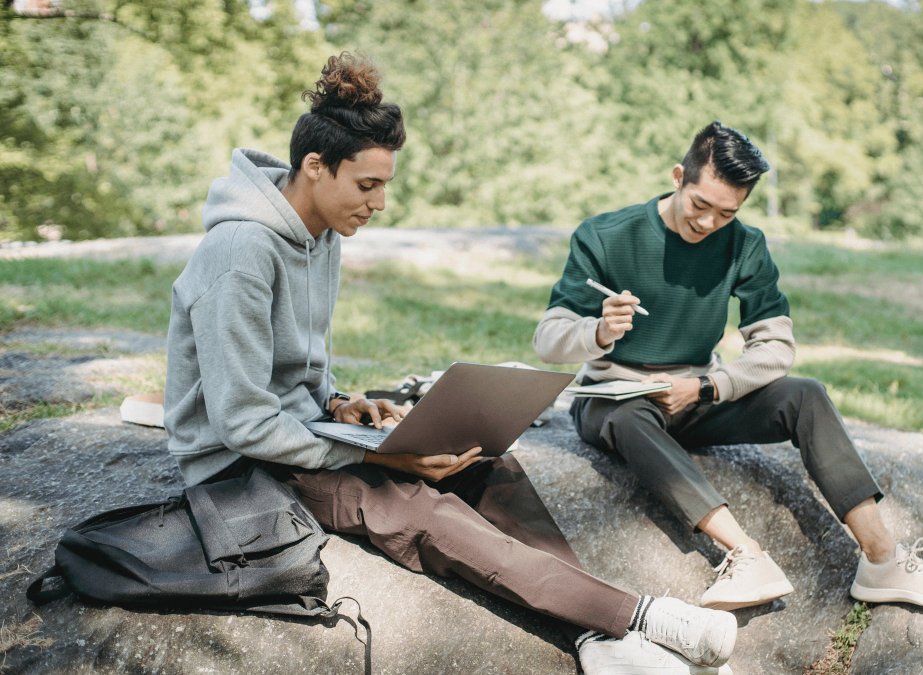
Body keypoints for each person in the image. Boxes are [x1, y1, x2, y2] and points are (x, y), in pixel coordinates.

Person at [164, 53, 739, 674]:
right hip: (242, 469)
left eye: (385, 184)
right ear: (314, 166)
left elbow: (298, 366)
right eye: (367, 185)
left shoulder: (323, 233)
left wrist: (338, 405)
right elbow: (242, 423)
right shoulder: (240, 253)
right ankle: (640, 618)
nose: (380, 203)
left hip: (303, 431)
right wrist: (380, 455)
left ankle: (596, 635)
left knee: (480, 458)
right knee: (416, 506)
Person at [533, 121, 923, 611]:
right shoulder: (606, 236)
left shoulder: (744, 244)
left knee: (805, 393)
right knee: (627, 416)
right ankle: (745, 554)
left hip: (697, 395)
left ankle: (882, 559)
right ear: (679, 175)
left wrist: (706, 387)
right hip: (617, 401)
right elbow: (547, 340)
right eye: (699, 205)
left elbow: (775, 349)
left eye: (726, 213)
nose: (707, 224)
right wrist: (597, 332)